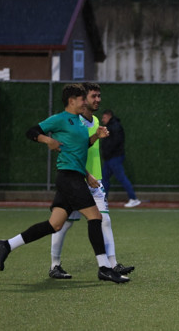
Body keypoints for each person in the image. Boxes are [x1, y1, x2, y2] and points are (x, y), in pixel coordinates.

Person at [0, 84, 128, 283]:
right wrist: (47, 140)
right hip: (69, 178)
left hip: (74, 176)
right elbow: (31, 131)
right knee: (95, 217)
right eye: (82, 99)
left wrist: (95, 137)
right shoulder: (59, 119)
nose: (85, 102)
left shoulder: (79, 122)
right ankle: (104, 268)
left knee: (55, 225)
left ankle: (7, 244)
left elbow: (79, 148)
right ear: (72, 100)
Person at [49, 83, 134, 279]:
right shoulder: (73, 123)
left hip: (96, 181)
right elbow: (71, 153)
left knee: (105, 220)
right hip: (76, 179)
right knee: (63, 223)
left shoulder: (95, 121)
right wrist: (87, 174)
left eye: (99, 96)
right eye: (93, 96)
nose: (98, 100)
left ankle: (112, 265)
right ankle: (55, 265)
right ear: (82, 98)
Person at [100, 109, 139, 208]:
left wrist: (108, 151)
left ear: (109, 116)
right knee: (104, 179)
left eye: (104, 117)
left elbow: (116, 142)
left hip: (114, 157)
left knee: (121, 177)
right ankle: (103, 200)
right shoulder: (111, 126)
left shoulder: (115, 126)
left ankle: (133, 198)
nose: (102, 119)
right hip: (110, 157)